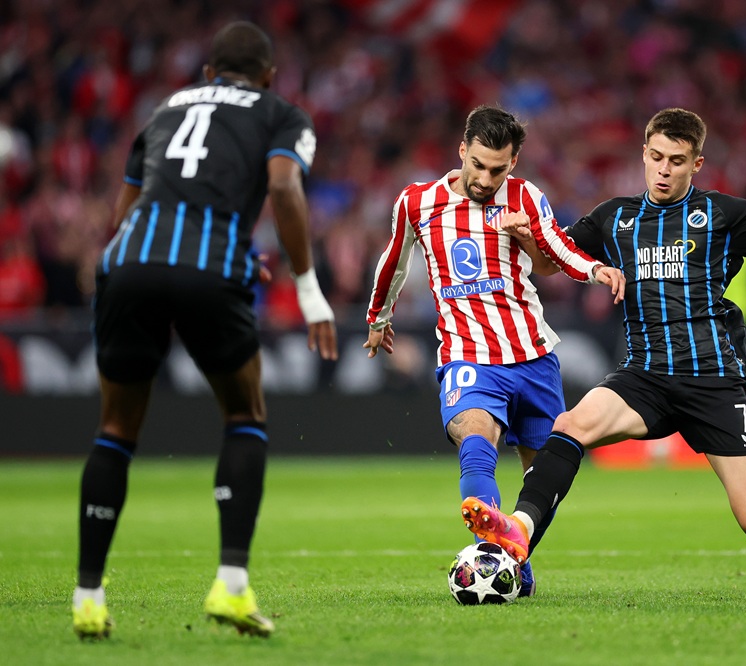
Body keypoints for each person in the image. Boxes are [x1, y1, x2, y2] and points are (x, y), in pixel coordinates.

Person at [461, 107, 746, 599]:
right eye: (655, 157)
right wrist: (530, 241)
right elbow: (554, 265)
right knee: (569, 426)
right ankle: (519, 533)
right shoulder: (616, 217)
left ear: (696, 164)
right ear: (644, 154)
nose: (663, 169)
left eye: (676, 160)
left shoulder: (725, 215)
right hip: (645, 378)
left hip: (715, 383)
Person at [72, 21, 337, 640]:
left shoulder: (164, 109)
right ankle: (232, 586)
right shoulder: (282, 113)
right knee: (245, 415)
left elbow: (125, 212)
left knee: (114, 430)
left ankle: (87, 594)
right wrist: (307, 289)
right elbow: (281, 184)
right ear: (269, 76)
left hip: (127, 262)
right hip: (209, 268)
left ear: (209, 74)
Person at [365, 105, 624, 596]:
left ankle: (512, 559)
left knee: (543, 479)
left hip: (532, 356)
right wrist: (379, 318)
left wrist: (594, 270)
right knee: (475, 438)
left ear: (514, 162)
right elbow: (392, 261)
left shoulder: (525, 198)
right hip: (468, 354)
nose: (485, 178)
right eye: (478, 165)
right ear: (462, 150)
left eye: (498, 169)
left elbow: (559, 248)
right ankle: (492, 554)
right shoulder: (418, 203)